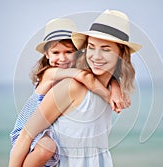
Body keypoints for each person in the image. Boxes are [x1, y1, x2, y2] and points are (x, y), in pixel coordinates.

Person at [9, 17, 128, 167]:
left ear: (78, 53)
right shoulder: (50, 74)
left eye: (68, 52)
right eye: (56, 52)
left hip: (47, 130)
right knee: (46, 149)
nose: (62, 58)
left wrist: (115, 85)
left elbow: (98, 77)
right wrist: (109, 96)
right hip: (26, 131)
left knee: (50, 150)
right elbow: (86, 77)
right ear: (46, 54)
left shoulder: (71, 74)